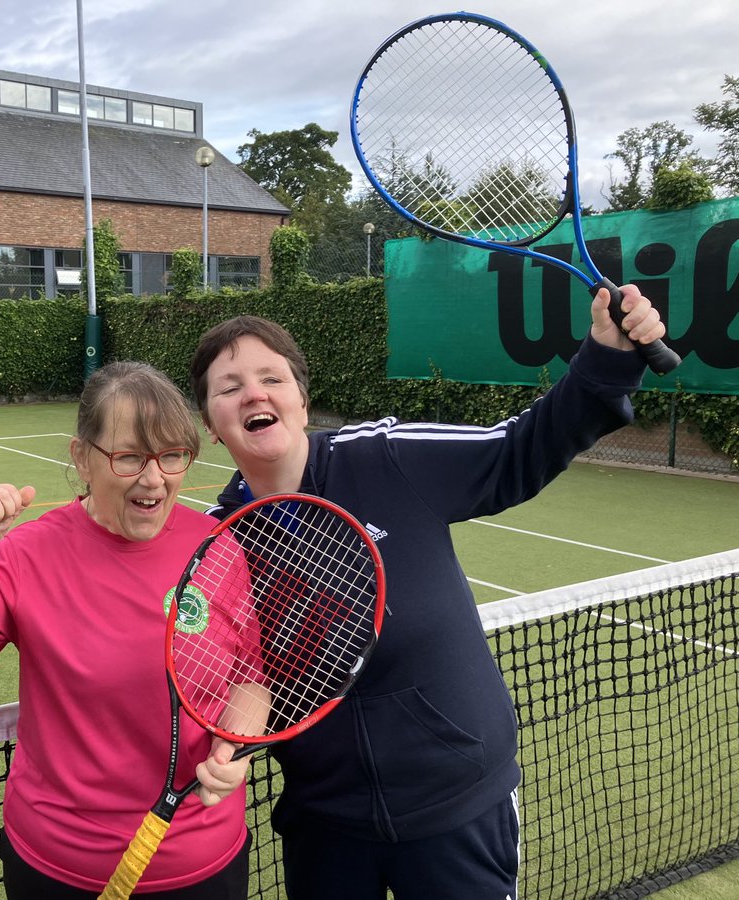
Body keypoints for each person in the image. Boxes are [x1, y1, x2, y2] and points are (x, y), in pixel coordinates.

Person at [186, 287, 668, 900]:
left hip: (458, 807)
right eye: (229, 387)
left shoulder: (389, 455)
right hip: (325, 824)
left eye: (271, 377)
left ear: (301, 401)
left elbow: (519, 450)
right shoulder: (219, 542)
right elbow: (234, 672)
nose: (253, 393)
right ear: (212, 425)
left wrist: (606, 355)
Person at [0, 360, 255, 899]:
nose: (155, 478)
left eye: (171, 455)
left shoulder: (219, 543)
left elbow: (249, 677)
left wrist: (236, 748)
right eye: (130, 456)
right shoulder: (27, 553)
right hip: (60, 866)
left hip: (205, 863)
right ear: (82, 458)